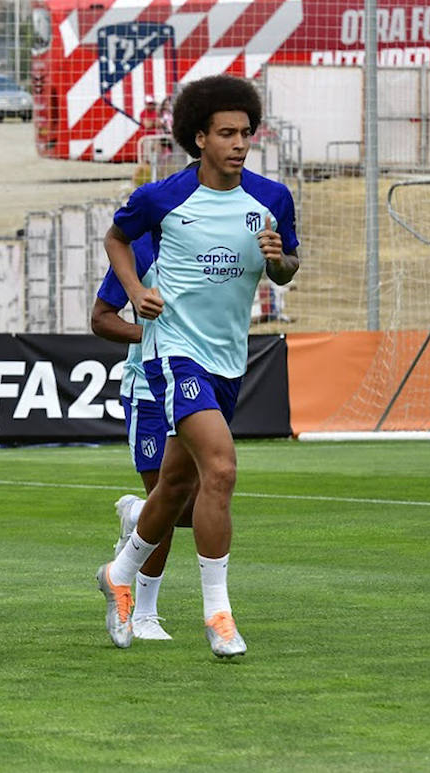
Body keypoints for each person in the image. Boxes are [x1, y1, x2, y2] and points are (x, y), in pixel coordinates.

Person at [95, 74, 300, 658]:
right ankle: (219, 615)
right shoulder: (162, 198)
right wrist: (135, 289)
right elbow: (115, 238)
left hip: (228, 357)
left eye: (246, 133)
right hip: (171, 351)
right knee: (222, 468)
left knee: (176, 484)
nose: (239, 143)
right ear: (199, 138)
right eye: (227, 133)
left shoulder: (272, 199)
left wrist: (279, 260)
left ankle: (119, 571)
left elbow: (286, 271)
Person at [90, 232, 185, 641]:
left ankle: (137, 514)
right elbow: (101, 318)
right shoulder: (140, 248)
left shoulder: (210, 240)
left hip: (197, 384)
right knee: (167, 496)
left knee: (189, 509)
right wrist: (148, 336)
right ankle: (144, 613)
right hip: (147, 390)